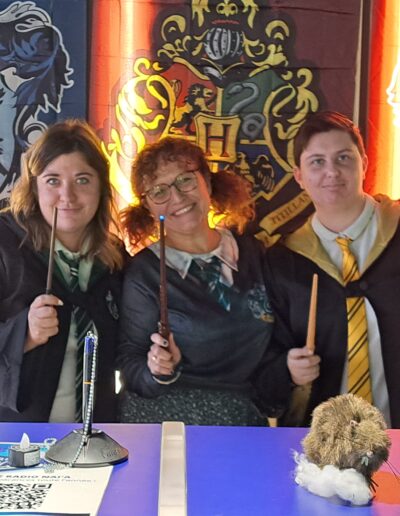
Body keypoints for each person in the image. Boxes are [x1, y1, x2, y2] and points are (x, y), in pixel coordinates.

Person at [117, 137, 288, 425]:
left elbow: (273, 342)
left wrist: (289, 367)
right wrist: (158, 371)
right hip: (166, 423)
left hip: (244, 419)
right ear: (148, 207)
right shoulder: (144, 272)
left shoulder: (253, 253)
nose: (177, 197)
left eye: (185, 180)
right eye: (159, 191)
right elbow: (129, 363)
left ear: (207, 182)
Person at [265, 111, 400, 428]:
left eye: (343, 158)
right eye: (317, 162)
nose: (332, 172)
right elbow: (265, 354)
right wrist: (288, 370)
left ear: (363, 163)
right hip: (323, 441)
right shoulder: (284, 262)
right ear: (299, 176)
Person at [0, 119, 126, 422]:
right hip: (18, 437)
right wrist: (24, 334)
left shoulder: (115, 259)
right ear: (34, 187)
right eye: (53, 180)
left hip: (95, 435)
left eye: (82, 180)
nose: (67, 196)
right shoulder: (5, 244)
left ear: (101, 187)